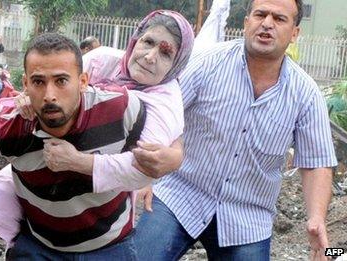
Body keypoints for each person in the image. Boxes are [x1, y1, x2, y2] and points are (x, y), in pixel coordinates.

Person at [0, 10, 193, 260]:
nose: (150, 57)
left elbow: (141, 169)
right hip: (39, 172)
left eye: (165, 53)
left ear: (177, 64)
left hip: (103, 220)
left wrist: (78, 162)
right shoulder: (103, 59)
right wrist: (24, 101)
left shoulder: (154, 105)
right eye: (147, 42)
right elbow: (58, 72)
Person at [129, 0, 337, 260]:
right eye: (260, 14)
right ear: (246, 21)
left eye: (279, 19)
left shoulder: (306, 95)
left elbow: (317, 162)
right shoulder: (207, 63)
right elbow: (162, 114)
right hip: (181, 194)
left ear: (295, 33)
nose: (267, 24)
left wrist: (316, 218)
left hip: (248, 216)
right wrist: (146, 175)